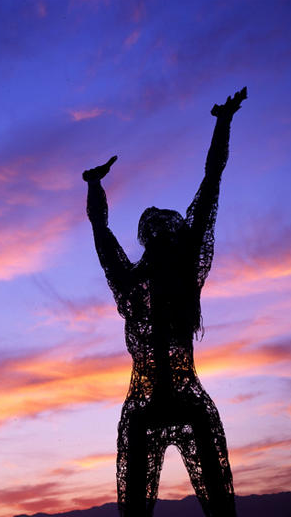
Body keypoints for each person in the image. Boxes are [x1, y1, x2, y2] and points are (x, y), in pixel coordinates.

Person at [83, 88, 247, 517]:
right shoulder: (137, 283)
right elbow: (102, 235)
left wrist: (223, 122)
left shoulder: (171, 276)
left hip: (180, 400)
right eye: (154, 231)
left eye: (163, 229)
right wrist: (94, 186)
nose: (160, 235)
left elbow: (211, 187)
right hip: (147, 406)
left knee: (220, 505)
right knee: (137, 508)